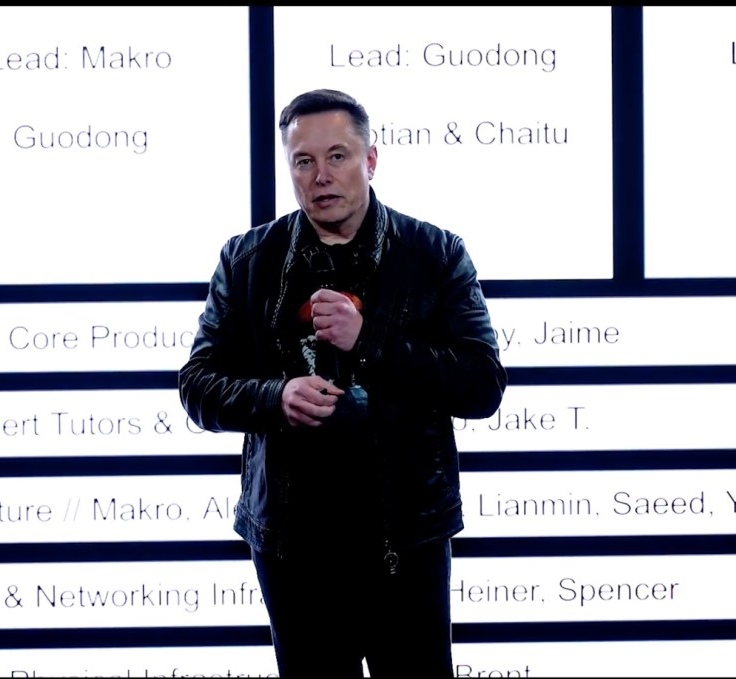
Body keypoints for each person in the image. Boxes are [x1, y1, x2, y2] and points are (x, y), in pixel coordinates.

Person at [178, 88, 507, 677]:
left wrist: (370, 340)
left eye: (337, 156)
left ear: (370, 160)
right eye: (303, 161)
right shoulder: (247, 260)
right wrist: (275, 397)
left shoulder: (435, 255)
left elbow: (482, 385)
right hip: (292, 544)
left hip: (406, 538)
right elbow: (198, 385)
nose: (321, 176)